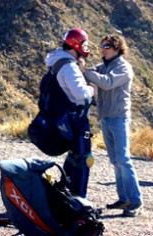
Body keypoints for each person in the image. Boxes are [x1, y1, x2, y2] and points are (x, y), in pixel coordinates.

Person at [80, 34, 143, 217]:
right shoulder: (104, 66)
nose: (103, 49)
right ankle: (123, 199)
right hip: (106, 117)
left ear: (117, 48)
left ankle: (136, 201)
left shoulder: (123, 67)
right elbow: (93, 74)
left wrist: (87, 72)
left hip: (119, 118)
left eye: (107, 46)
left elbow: (107, 83)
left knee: (123, 159)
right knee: (115, 160)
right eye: (102, 46)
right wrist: (87, 72)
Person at [45, 28, 95, 198]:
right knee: (83, 158)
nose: (85, 47)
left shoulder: (58, 61)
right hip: (76, 119)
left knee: (74, 156)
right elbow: (80, 93)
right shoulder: (68, 66)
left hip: (66, 117)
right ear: (75, 44)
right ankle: (79, 198)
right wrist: (92, 89)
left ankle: (63, 191)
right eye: (83, 44)